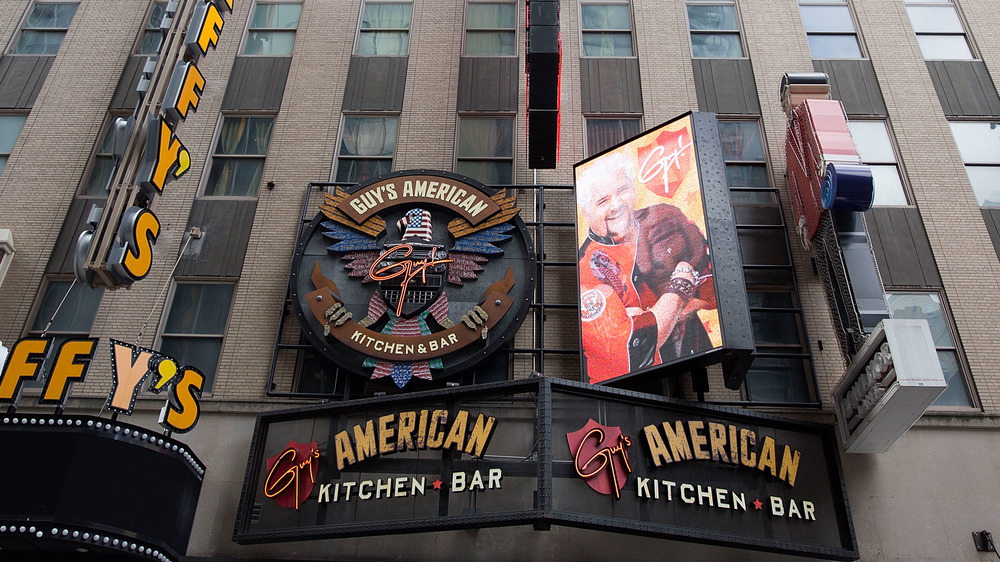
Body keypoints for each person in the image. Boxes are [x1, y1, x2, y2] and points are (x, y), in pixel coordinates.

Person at [577, 151, 715, 384]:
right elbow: (630, 349)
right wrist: (681, 285)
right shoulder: (585, 270)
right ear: (586, 212)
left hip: (693, 354)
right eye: (603, 201)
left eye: (622, 190)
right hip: (637, 389)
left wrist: (657, 313)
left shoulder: (665, 216)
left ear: (633, 187)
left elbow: (715, 282)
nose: (617, 205)